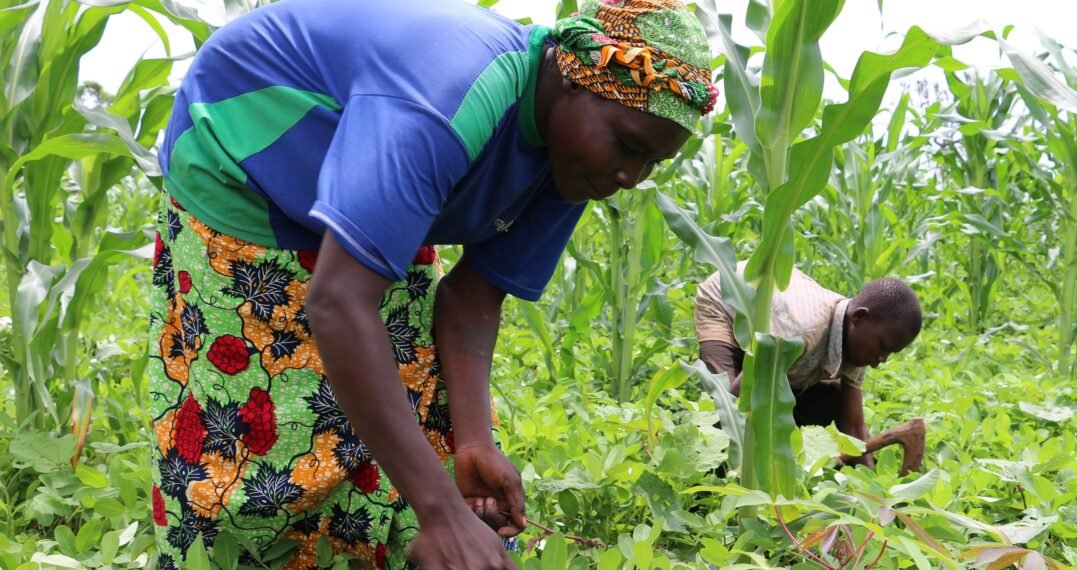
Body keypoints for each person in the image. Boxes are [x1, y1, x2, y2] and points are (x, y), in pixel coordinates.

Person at [147, 0, 715, 567]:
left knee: (426, 415)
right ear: (571, 79)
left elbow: (472, 297)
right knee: (276, 434)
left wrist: (473, 443)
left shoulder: (576, 158)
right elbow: (341, 304)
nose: (629, 177)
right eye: (629, 146)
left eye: (652, 164)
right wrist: (440, 513)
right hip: (246, 162)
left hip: (365, 175)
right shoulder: (447, 97)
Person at [694, 264, 922, 467]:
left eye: (891, 353)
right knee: (723, 404)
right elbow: (740, 396)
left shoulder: (859, 341)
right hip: (725, 302)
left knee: (833, 399)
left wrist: (871, 490)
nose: (882, 359)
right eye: (882, 348)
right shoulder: (802, 331)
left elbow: (853, 427)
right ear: (859, 318)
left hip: (777, 322)